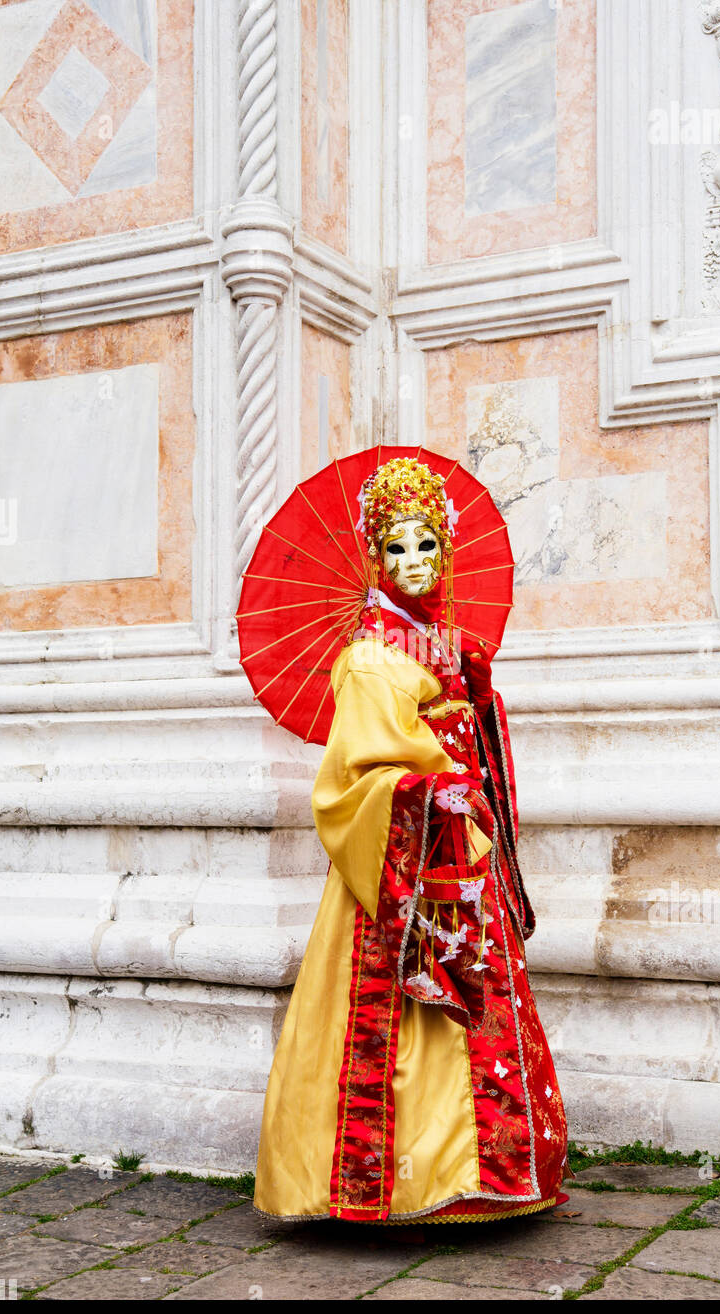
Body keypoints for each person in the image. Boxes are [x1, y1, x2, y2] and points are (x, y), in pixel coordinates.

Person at [253, 453, 569, 1224]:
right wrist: (433, 787)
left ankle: (484, 1176)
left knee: (484, 1002)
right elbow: (354, 783)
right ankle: (397, 1183)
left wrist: (473, 701)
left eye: (427, 543)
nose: (415, 562)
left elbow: (468, 737)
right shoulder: (368, 659)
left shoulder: (448, 647)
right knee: (393, 1013)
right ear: (374, 555)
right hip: (402, 869)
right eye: (396, 546)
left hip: (463, 856)